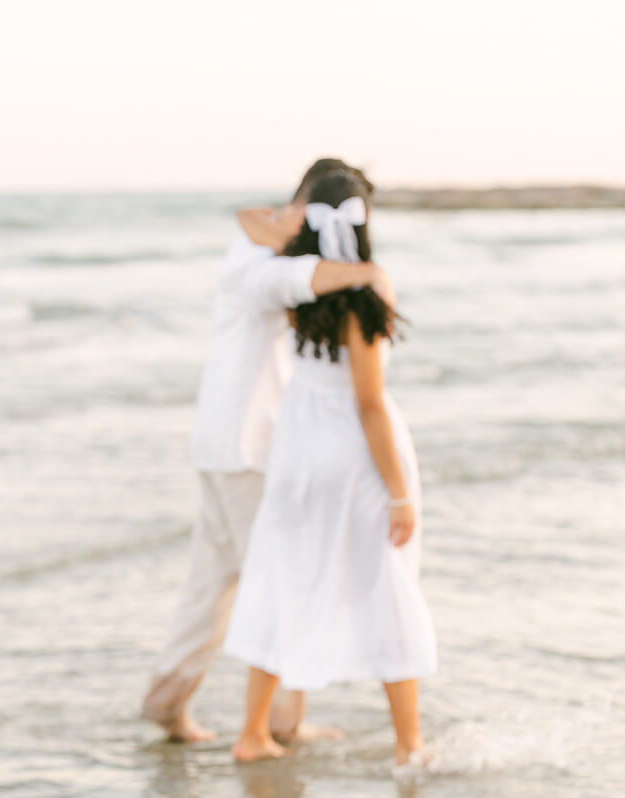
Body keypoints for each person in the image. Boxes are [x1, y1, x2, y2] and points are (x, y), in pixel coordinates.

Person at [141, 159, 390, 743]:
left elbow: (257, 223)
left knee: (213, 585)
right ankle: (281, 725)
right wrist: (370, 269)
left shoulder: (257, 245)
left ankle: (165, 703)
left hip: (224, 444)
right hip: (248, 449)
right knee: (286, 581)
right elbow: (301, 280)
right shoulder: (259, 265)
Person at [222, 170, 438, 763]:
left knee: (282, 576)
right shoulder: (365, 298)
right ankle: (409, 744)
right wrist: (399, 492)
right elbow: (368, 405)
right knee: (386, 584)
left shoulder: (298, 289)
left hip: (298, 448)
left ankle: (253, 734)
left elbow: (250, 220)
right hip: (349, 452)